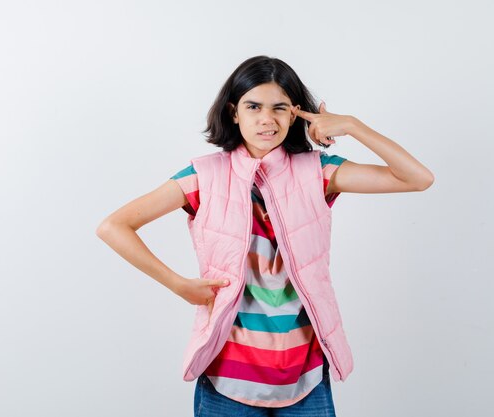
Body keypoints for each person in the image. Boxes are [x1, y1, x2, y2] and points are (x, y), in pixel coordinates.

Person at [96, 55, 434, 417]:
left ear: (295, 114)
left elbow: (417, 178)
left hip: (305, 378)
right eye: (253, 106)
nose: (266, 119)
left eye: (279, 108)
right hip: (226, 377)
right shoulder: (204, 176)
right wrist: (178, 284)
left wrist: (352, 125)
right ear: (234, 112)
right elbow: (113, 227)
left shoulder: (319, 172)